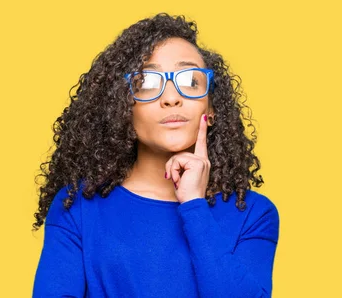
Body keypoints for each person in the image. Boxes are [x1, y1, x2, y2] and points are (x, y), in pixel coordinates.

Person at [31, 13, 280, 297]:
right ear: (123, 108)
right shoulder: (77, 207)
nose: (171, 97)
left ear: (211, 109)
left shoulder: (252, 213)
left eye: (190, 80)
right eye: (147, 82)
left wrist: (194, 207)